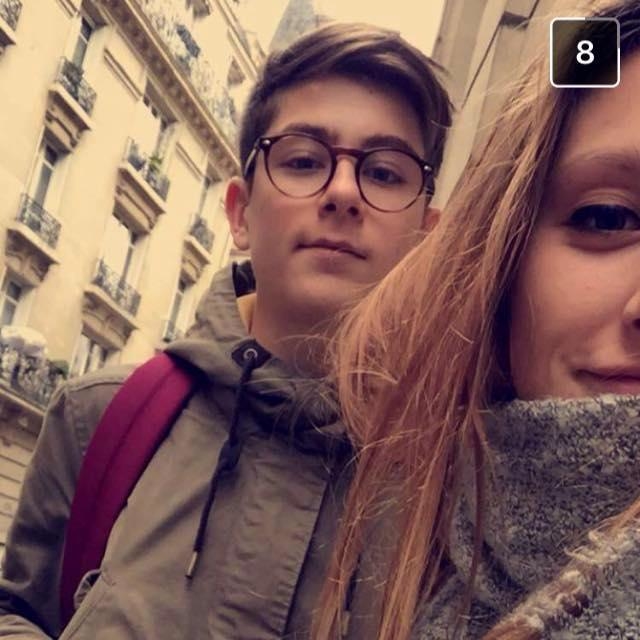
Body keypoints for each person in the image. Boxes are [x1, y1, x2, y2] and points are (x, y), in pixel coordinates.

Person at [0, 21, 452, 640]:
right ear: (240, 213)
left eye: (384, 173)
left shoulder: (455, 488)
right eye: (303, 160)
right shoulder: (99, 418)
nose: (343, 191)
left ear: (425, 238)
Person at [314, 1, 640, 639]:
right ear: (500, 262)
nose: (342, 194)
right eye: (608, 217)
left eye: (384, 171)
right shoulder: (434, 573)